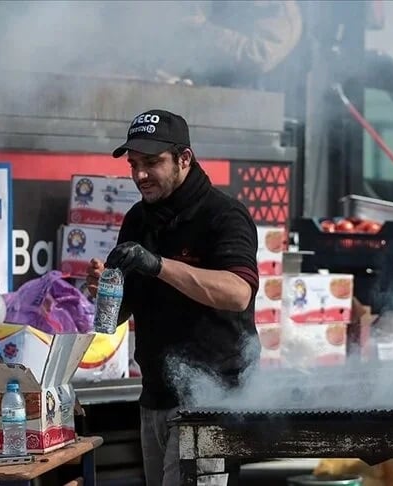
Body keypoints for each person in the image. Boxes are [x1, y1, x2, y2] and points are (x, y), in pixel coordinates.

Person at [86, 109, 260, 486]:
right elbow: (118, 314)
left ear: (184, 159)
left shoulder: (224, 215)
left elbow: (238, 293)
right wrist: (105, 291)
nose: (139, 175)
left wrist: (157, 265)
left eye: (151, 163)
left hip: (210, 400)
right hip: (154, 396)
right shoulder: (138, 218)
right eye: (134, 164)